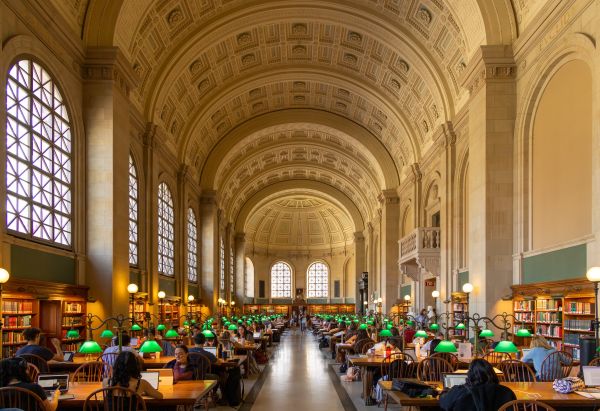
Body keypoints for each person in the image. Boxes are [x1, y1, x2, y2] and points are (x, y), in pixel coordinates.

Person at [440, 359, 516, 411]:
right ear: (492, 373)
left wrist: (444, 392)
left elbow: (445, 404)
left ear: (470, 374)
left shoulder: (460, 391)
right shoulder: (507, 392)